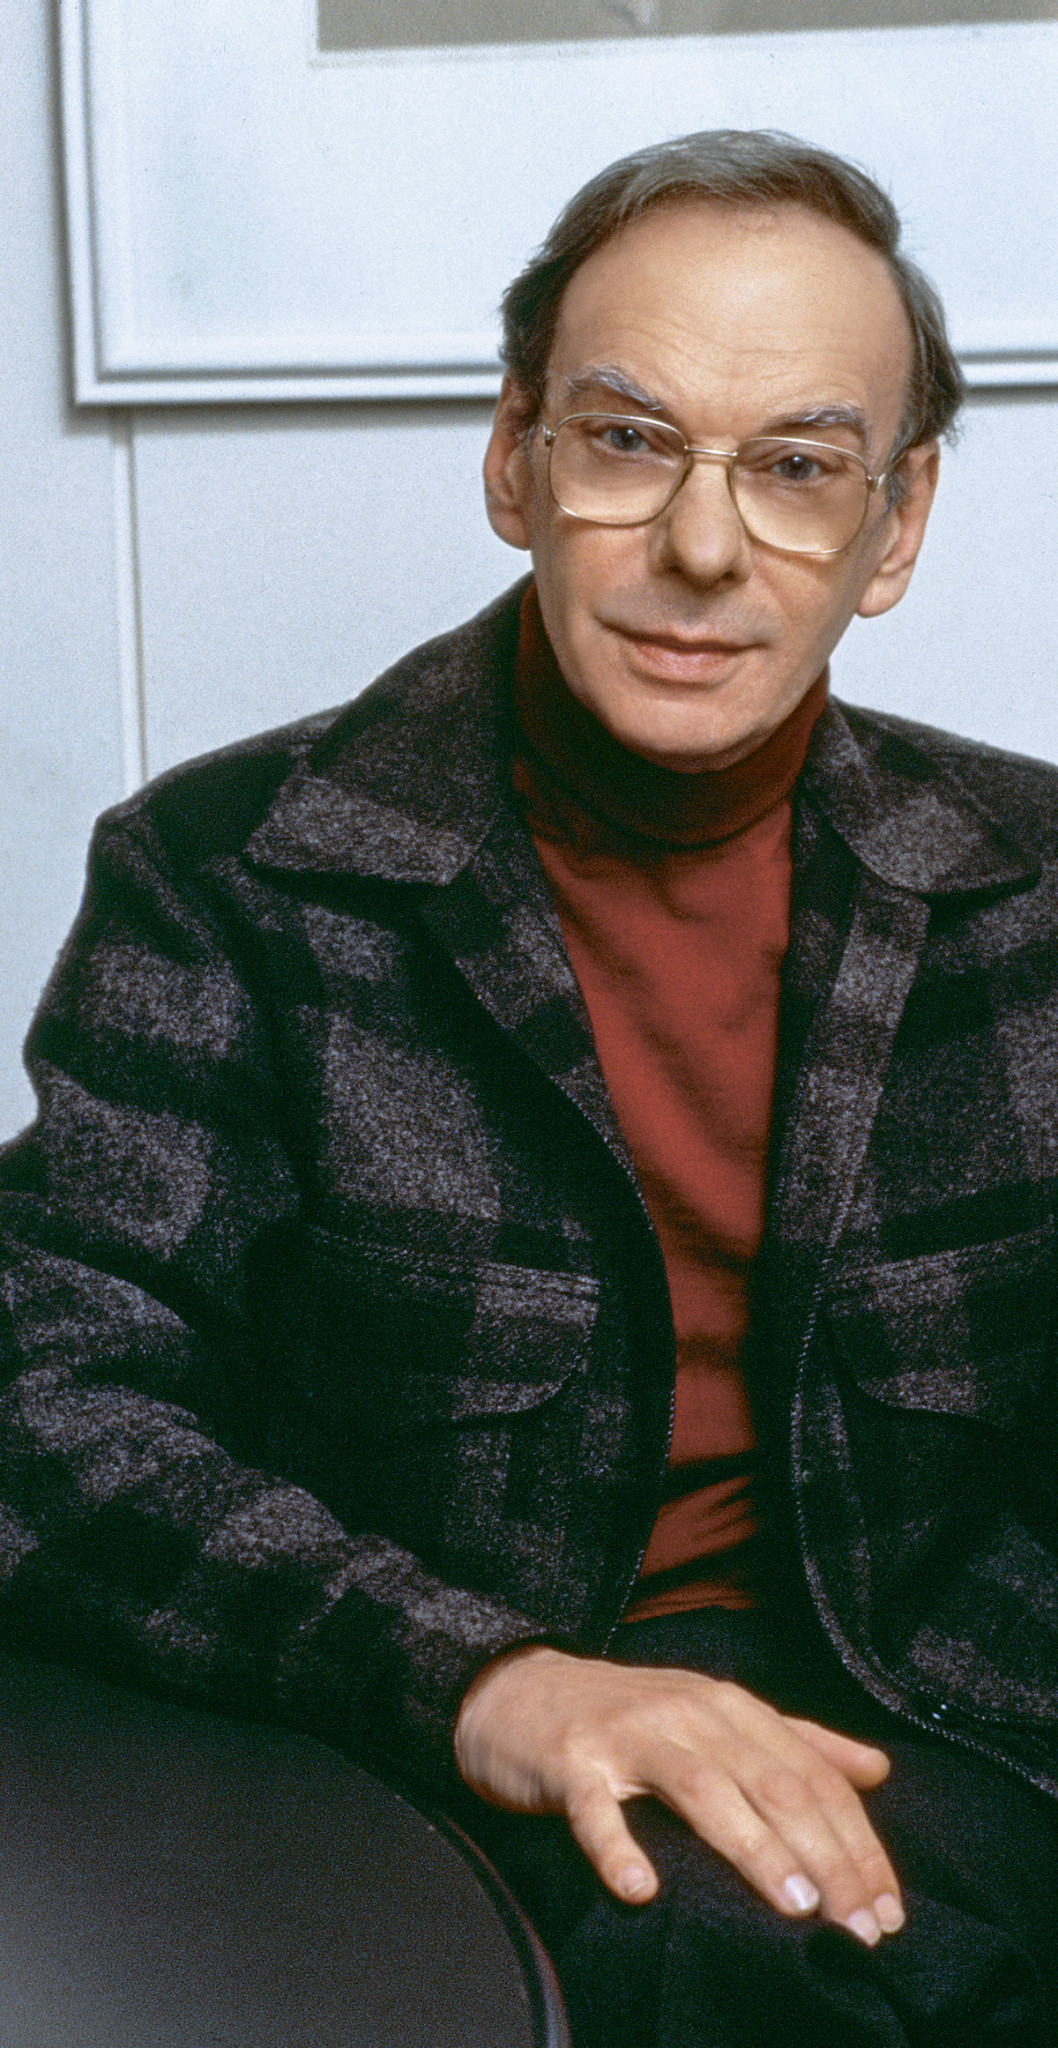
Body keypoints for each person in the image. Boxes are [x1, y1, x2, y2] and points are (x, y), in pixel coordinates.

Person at [0, 130, 1056, 2044]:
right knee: (760, 1962)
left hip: (958, 1711)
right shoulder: (229, 878)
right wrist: (483, 1679)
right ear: (515, 460)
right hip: (438, 1745)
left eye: (797, 468)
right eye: (628, 441)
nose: (703, 549)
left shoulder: (1033, 883)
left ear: (894, 526)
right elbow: (49, 1411)